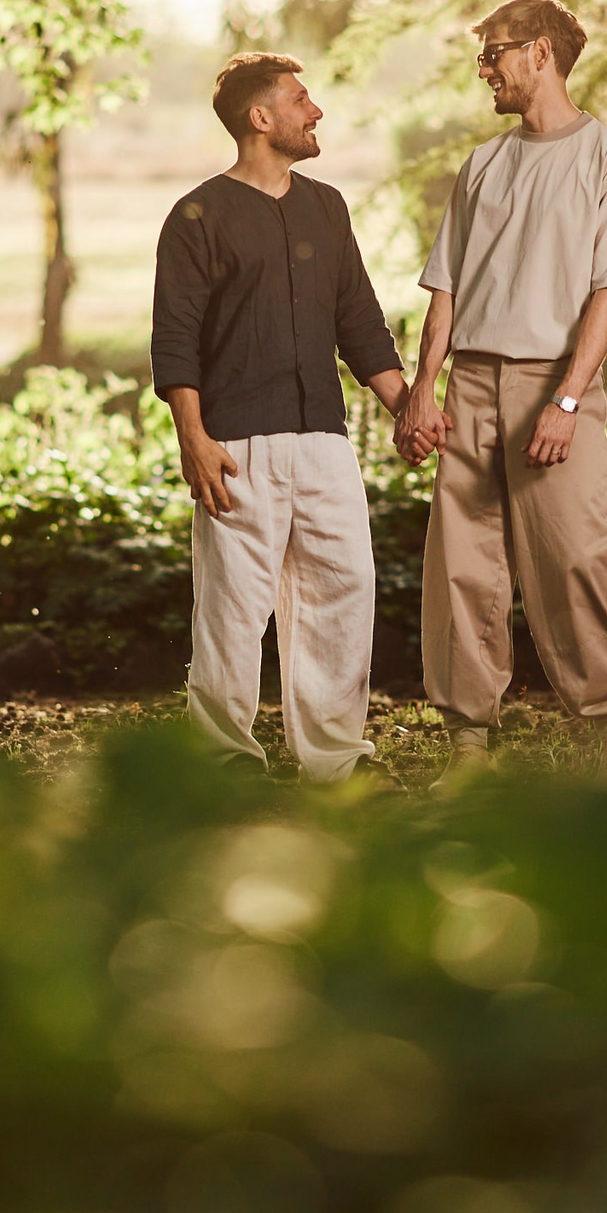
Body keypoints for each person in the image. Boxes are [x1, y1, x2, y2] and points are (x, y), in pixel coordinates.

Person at [395, 0, 607, 766]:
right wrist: (423, 388)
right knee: (463, 570)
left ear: (541, 51)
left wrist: (567, 400)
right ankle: (468, 742)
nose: (485, 71)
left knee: (577, 557)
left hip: (556, 384)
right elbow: (446, 287)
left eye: (494, 53)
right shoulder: (483, 165)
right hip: (472, 381)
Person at [152, 53, 411, 781]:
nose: (315, 110)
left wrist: (407, 409)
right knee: (232, 610)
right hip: (234, 440)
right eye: (301, 99)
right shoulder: (196, 216)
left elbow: (359, 321)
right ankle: (224, 760)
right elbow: (174, 337)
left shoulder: (326, 207)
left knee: (344, 587)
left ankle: (333, 762)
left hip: (324, 438)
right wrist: (193, 439)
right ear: (260, 118)